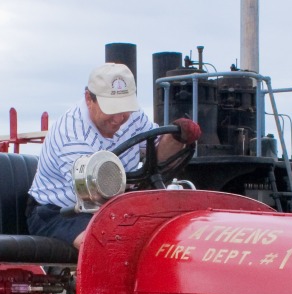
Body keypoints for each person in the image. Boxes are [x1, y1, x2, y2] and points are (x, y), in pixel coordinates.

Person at [27, 62, 201, 249]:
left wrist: (175, 138)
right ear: (89, 99)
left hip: (119, 203)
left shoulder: (133, 118)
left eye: (124, 108)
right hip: (61, 211)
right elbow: (96, 196)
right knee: (105, 243)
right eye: (111, 109)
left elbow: (156, 151)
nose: (119, 119)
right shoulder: (72, 136)